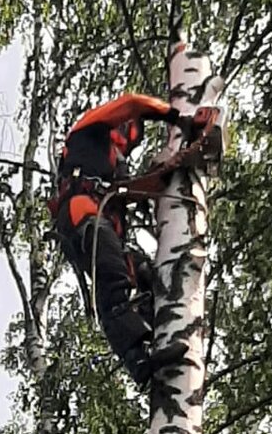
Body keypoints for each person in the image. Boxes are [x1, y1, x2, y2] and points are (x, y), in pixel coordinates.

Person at [52, 92, 186, 386]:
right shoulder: (87, 131)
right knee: (112, 278)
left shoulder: (114, 165)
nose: (129, 140)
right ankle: (136, 357)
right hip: (82, 214)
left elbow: (132, 191)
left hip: (101, 224)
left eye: (133, 138)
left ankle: (164, 335)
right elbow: (132, 102)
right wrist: (178, 117)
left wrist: (170, 171)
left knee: (148, 276)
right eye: (128, 130)